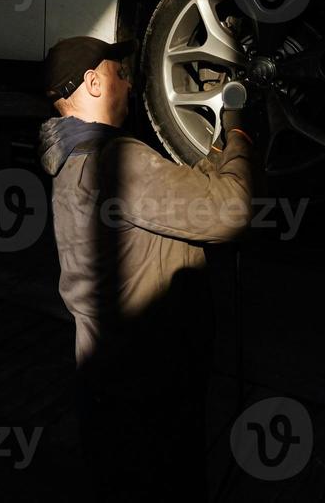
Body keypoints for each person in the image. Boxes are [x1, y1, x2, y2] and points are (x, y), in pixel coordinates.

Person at [36, 35, 258, 499]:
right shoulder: (117, 160)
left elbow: (181, 195)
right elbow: (230, 211)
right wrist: (240, 135)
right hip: (149, 396)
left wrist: (217, 148)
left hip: (111, 388)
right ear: (94, 83)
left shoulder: (74, 159)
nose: (131, 84)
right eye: (120, 72)